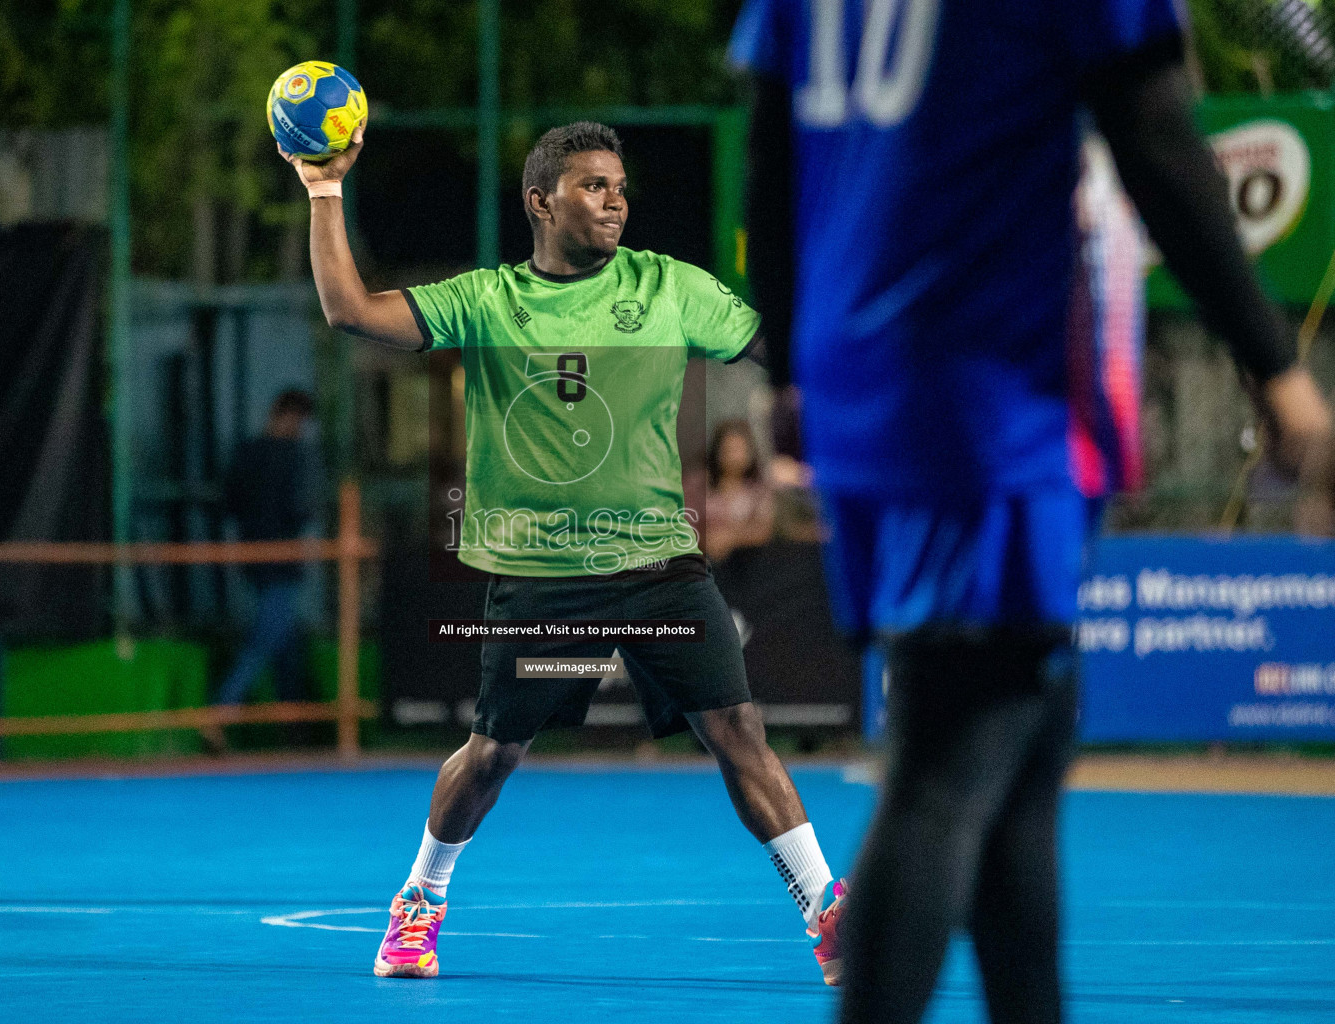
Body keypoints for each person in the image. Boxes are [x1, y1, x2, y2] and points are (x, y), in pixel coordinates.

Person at [728, 2, 1335, 1023]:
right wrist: (1279, 374)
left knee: (1023, 763)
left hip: (868, 372)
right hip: (987, 395)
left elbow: (770, 150)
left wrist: (792, 372)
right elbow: (1152, 131)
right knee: (949, 756)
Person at [282, 120, 849, 982]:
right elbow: (348, 310)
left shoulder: (671, 287)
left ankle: (827, 912)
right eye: (593, 185)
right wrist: (324, 189)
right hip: (541, 573)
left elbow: (785, 347)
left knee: (738, 729)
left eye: (620, 186)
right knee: (493, 753)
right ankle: (418, 904)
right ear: (540, 202)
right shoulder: (487, 300)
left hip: (660, 562)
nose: (615, 199)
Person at [206, 389, 323, 752]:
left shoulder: (248, 452)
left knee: (286, 644)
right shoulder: (288, 457)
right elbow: (300, 509)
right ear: (286, 415)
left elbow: (228, 503)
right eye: (298, 420)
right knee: (267, 639)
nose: (299, 428)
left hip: (254, 558)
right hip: (280, 561)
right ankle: (218, 715)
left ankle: (294, 729)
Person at [699, 419, 776, 562]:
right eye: (729, 450)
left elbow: (764, 529)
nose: (735, 457)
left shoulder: (758, 490)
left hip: (747, 568)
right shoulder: (700, 486)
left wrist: (731, 538)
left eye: (740, 449)